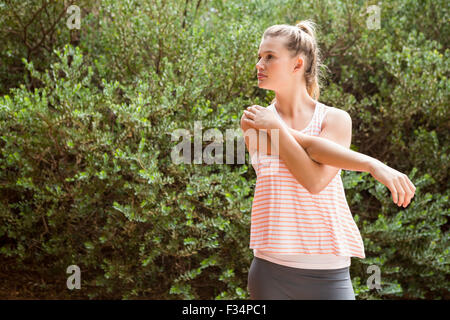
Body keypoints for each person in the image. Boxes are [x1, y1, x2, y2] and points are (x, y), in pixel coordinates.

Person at [240, 20, 416, 300]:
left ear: (297, 65)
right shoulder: (254, 121)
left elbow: (318, 176)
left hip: (328, 274)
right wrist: (370, 164)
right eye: (259, 57)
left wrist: (374, 164)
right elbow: (309, 176)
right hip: (270, 271)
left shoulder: (334, 119)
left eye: (270, 57)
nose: (259, 64)